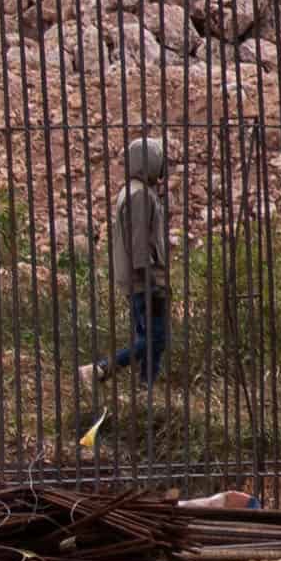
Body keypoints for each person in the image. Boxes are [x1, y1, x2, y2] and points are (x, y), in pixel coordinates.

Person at [89, 133, 175, 390]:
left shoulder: (135, 191)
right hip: (144, 276)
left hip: (139, 275)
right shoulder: (139, 195)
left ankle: (145, 386)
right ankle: (102, 368)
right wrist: (151, 278)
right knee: (156, 338)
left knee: (148, 335)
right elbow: (139, 242)